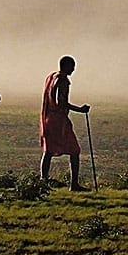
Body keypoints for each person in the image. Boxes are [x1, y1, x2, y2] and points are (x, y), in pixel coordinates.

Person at [40, 55, 90, 191]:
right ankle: (73, 184)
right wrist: (80, 109)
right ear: (66, 66)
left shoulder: (51, 77)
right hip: (58, 120)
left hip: (49, 118)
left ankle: (43, 182)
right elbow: (60, 102)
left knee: (48, 151)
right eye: (72, 67)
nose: (73, 70)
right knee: (75, 150)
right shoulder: (62, 80)